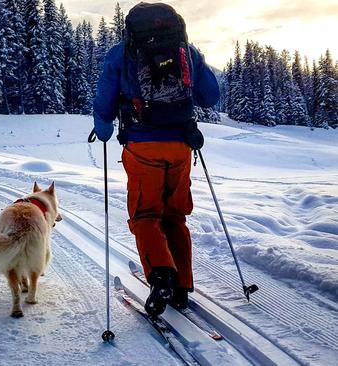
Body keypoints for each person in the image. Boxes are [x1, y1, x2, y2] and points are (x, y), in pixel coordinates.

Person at [92, 2, 220, 317]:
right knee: (175, 216)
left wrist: (104, 129)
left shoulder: (120, 54)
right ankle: (182, 286)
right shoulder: (185, 52)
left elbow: (104, 102)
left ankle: (162, 275)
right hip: (180, 146)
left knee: (145, 214)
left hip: (142, 146)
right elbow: (211, 95)